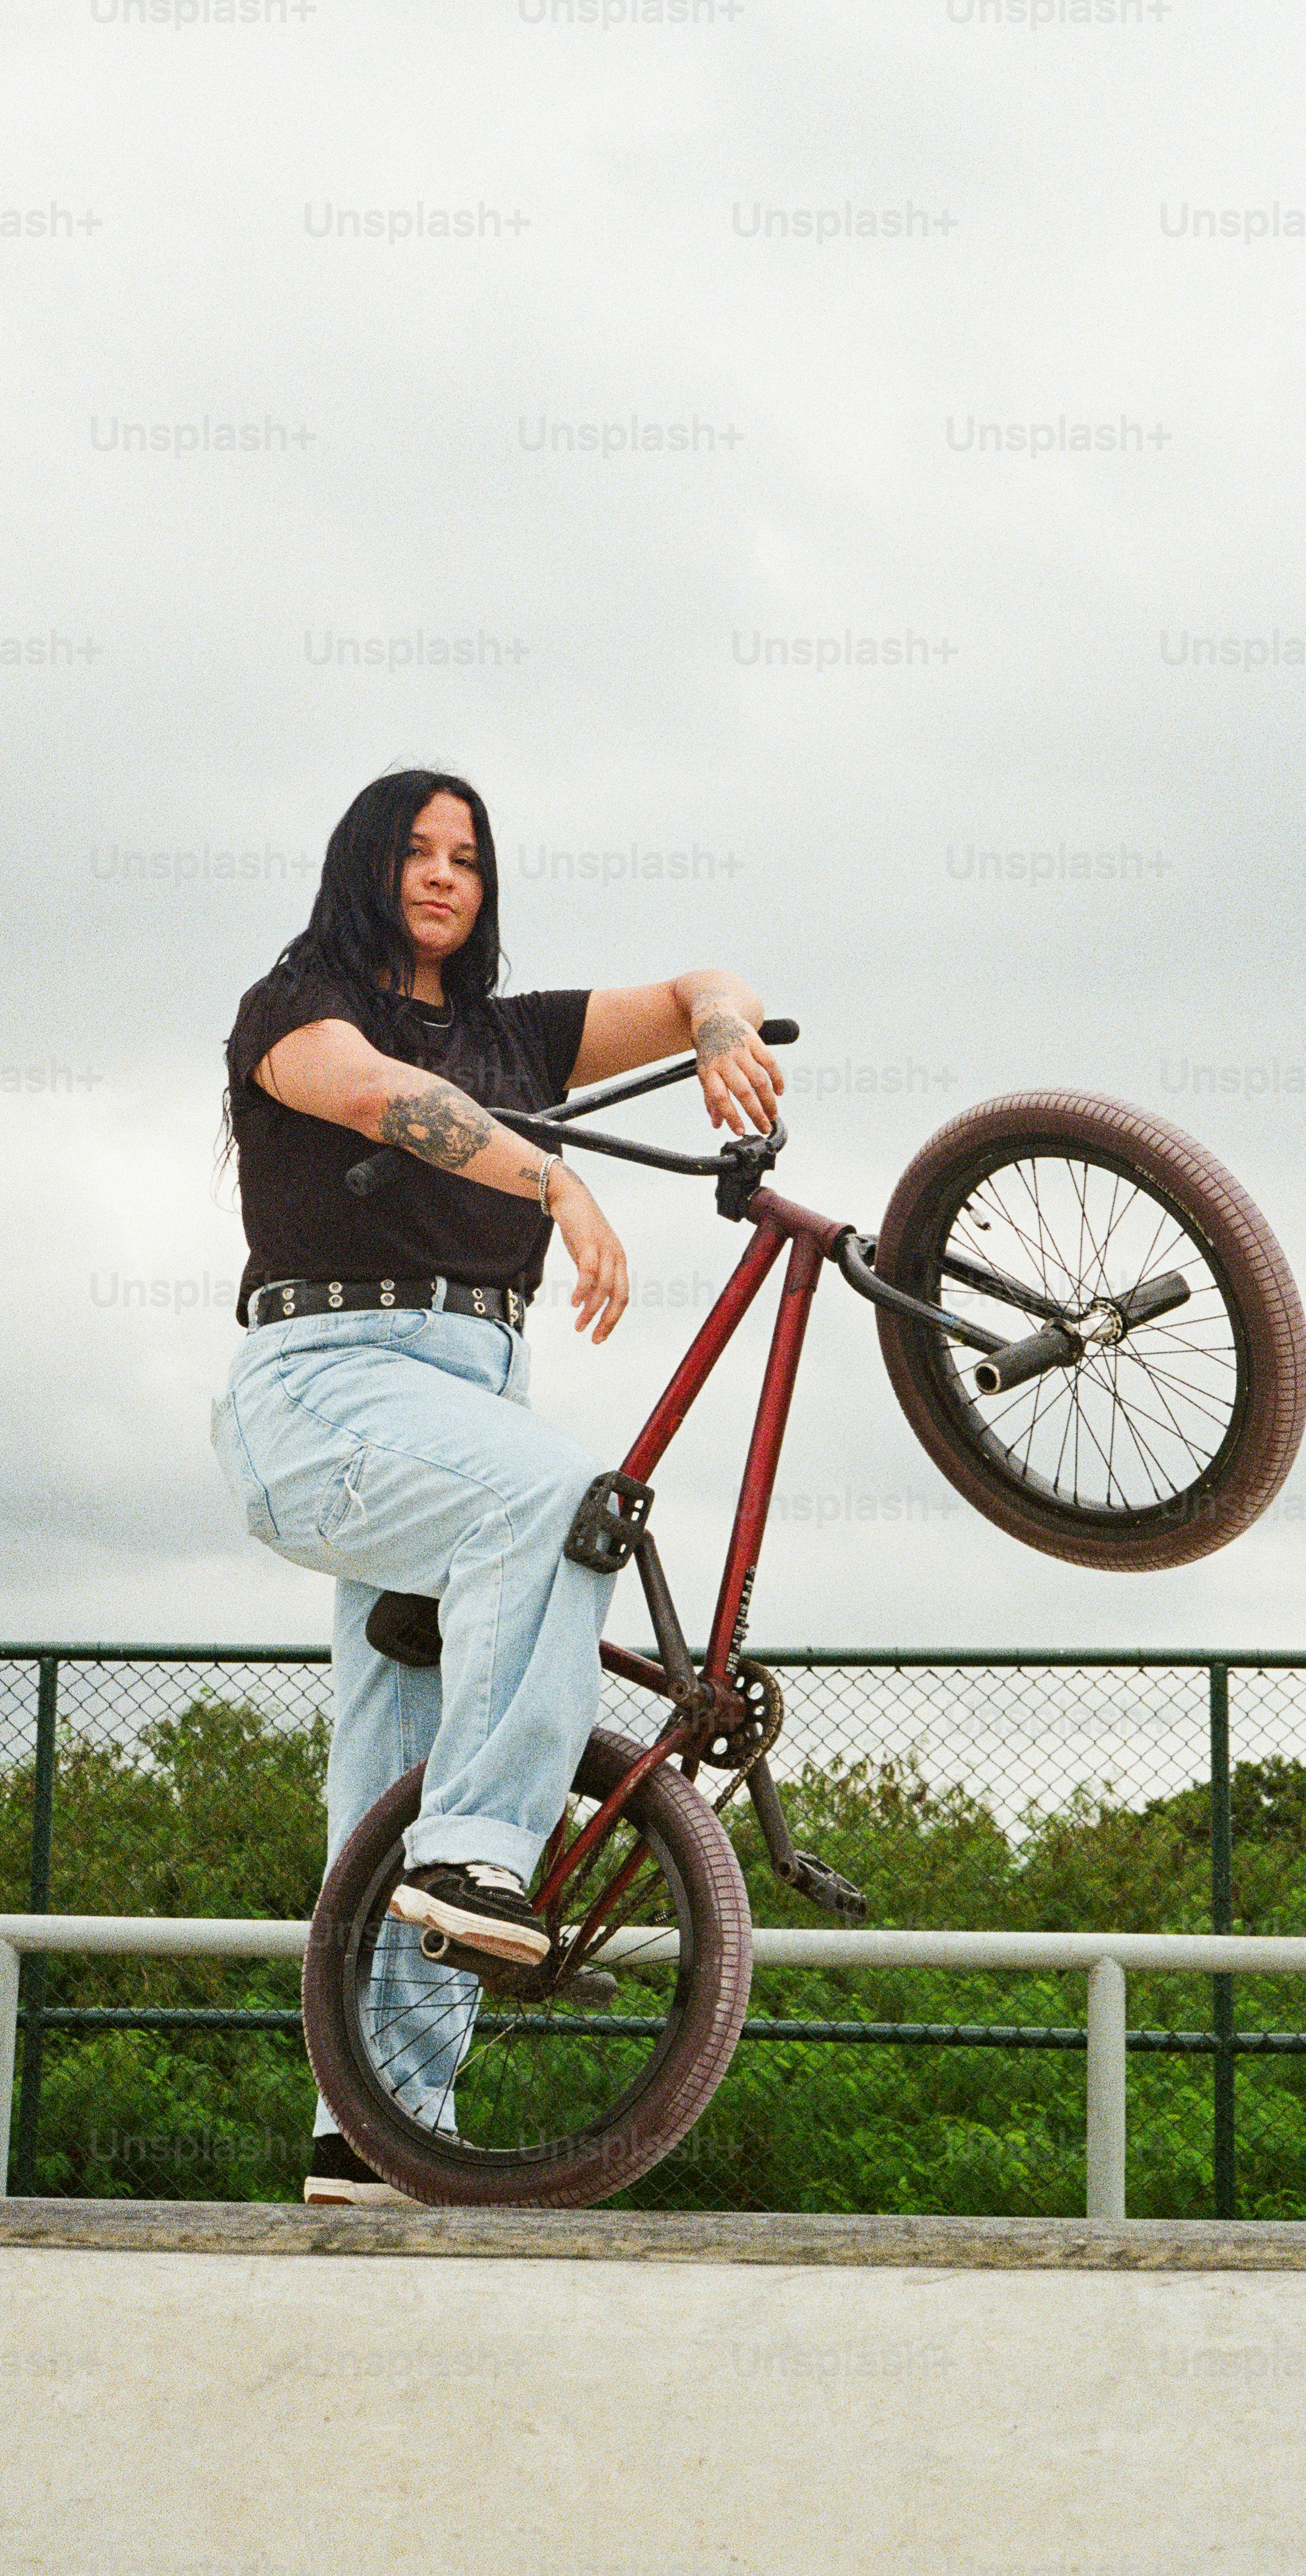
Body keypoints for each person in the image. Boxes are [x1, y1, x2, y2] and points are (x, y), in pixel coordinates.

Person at [209, 766, 782, 2203]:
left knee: (395, 1764)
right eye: (416, 851)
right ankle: (478, 1859)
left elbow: (702, 977)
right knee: (561, 1497)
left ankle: (379, 2123)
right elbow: (381, 1098)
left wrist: (717, 1029)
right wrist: (555, 1182)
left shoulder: (516, 1035)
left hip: (467, 1397)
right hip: (327, 1390)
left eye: (468, 855)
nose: (445, 875)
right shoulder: (294, 1008)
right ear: (366, 867)